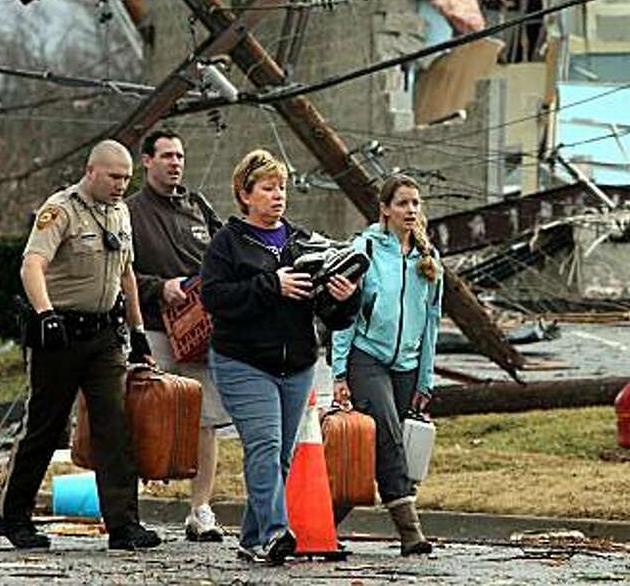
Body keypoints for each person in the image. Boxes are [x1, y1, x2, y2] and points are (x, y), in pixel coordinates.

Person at [0, 140, 161, 551]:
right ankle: (14, 517)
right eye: (114, 177)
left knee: (114, 427)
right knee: (44, 428)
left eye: (126, 178)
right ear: (91, 171)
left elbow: (126, 275)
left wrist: (138, 331)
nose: (122, 185)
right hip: (60, 334)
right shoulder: (61, 209)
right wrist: (45, 313)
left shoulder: (120, 213)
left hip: (104, 336)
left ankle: (123, 525)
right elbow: (32, 263)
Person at [200, 148, 360, 566]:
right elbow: (214, 298)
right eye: (268, 188)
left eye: (282, 188)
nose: (278, 196)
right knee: (265, 447)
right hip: (243, 361)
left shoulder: (302, 240)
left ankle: (253, 538)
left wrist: (346, 299)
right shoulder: (227, 243)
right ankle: (274, 533)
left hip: (298, 363)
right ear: (245, 193)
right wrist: (271, 285)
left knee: (281, 456)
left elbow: (330, 314)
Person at [126, 128, 229, 542]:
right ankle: (127, 510)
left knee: (206, 420)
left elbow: (227, 253)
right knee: (142, 417)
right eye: (166, 155)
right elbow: (119, 271)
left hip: (200, 330)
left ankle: (200, 510)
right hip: (152, 328)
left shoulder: (198, 206)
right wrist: (158, 287)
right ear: (146, 161)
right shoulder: (129, 211)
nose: (175, 163)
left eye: (180, 156)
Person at [331, 173, 440, 557]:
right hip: (367, 358)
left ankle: (322, 522)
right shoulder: (366, 249)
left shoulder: (428, 257)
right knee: (389, 438)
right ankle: (411, 532)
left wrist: (426, 378)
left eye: (415, 203)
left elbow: (432, 323)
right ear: (385, 209)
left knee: (388, 447)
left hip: (408, 365)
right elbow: (345, 314)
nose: (410, 210)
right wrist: (339, 371)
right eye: (402, 204)